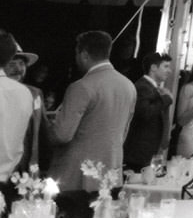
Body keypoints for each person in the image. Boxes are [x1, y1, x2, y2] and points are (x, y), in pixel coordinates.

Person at [47, 31, 136, 192]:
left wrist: (47, 125)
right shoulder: (128, 85)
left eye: (76, 53)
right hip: (111, 170)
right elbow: (123, 132)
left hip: (77, 175)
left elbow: (62, 135)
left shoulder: (81, 86)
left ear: (84, 54)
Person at [0, 32, 40, 184]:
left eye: (22, 64)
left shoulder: (30, 93)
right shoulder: (25, 93)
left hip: (18, 174)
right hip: (10, 173)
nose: (18, 69)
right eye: (12, 63)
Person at [123, 52, 173, 171]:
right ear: (153, 68)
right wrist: (166, 99)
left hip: (150, 149)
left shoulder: (154, 88)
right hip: (140, 151)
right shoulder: (143, 87)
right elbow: (145, 113)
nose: (169, 71)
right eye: (165, 66)